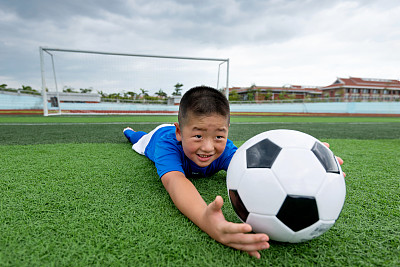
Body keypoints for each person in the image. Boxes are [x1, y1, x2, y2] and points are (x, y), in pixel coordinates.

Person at [123, 86, 344, 259]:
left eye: (219, 136)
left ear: (227, 132)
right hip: (155, 137)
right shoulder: (167, 144)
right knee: (137, 138)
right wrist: (204, 217)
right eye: (198, 136)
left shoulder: (227, 151)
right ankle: (130, 132)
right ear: (180, 132)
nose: (209, 147)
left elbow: (259, 168)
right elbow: (175, 181)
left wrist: (311, 168)